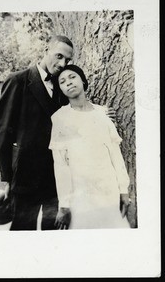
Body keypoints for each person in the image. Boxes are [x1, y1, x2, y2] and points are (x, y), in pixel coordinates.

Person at [0, 35, 74, 230]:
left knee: (53, 232)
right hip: (24, 178)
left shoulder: (62, 86)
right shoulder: (17, 81)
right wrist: (7, 178)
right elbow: (3, 131)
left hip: (54, 179)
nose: (63, 63)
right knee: (22, 230)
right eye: (59, 56)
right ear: (45, 51)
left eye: (67, 60)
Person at [49, 64, 131, 229]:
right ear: (61, 90)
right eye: (63, 81)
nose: (69, 83)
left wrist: (123, 189)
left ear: (83, 81)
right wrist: (64, 204)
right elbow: (60, 164)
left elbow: (115, 154)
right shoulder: (59, 118)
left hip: (108, 189)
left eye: (73, 77)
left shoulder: (103, 113)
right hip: (80, 193)